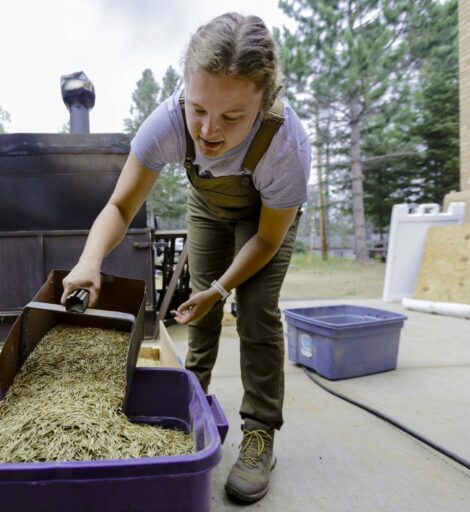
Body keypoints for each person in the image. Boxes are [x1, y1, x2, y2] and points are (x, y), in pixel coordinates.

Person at [61, 12, 311, 504]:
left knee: (255, 310)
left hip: (263, 222)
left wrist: (222, 289)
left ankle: (260, 432)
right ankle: (190, 396)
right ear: (185, 91)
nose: (209, 131)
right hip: (208, 207)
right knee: (199, 311)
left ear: (264, 101)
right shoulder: (168, 122)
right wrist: (89, 260)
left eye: (232, 117)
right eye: (198, 109)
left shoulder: (286, 147)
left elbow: (263, 241)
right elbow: (120, 206)